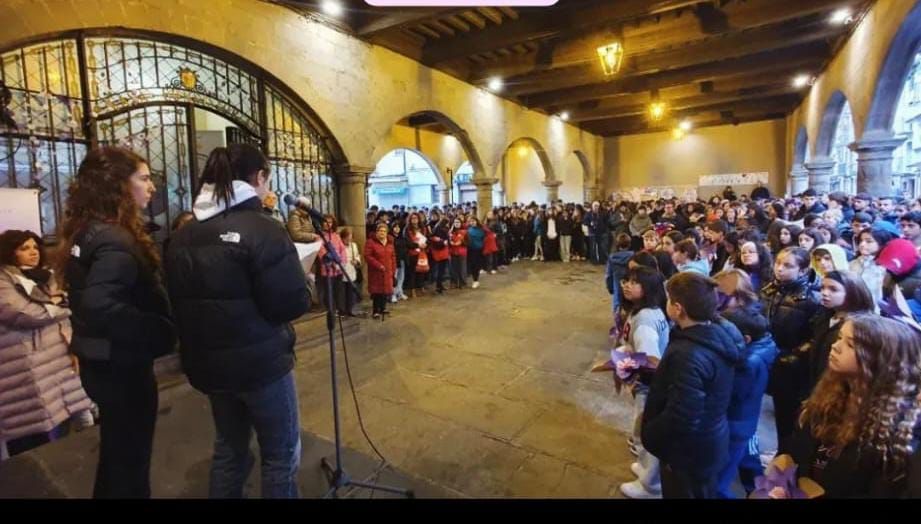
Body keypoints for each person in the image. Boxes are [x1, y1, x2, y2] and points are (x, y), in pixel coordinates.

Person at [165, 143, 310, 499]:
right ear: (259, 177)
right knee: (279, 456)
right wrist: (303, 278)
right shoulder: (263, 228)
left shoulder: (183, 234)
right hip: (261, 365)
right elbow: (287, 305)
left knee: (229, 450)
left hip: (211, 365)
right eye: (267, 179)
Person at [58, 147, 176, 498]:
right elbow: (99, 304)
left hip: (102, 363)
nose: (151, 187)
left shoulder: (87, 231)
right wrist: (158, 329)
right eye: (143, 178)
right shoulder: (114, 239)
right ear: (118, 187)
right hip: (121, 367)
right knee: (130, 464)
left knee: (115, 457)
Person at [790, 315, 921, 498]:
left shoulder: (895, 430)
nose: (835, 346)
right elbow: (797, 450)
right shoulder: (830, 392)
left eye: (850, 345)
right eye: (839, 338)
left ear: (881, 361)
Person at [641, 272, 740, 499]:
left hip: (689, 453)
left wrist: (651, 433)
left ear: (678, 308)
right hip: (708, 442)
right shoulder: (713, 334)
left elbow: (682, 416)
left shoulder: (689, 353)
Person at [0, 230, 94, 460]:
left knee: (70, 414)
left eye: (34, 247)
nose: (33, 252)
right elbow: (23, 313)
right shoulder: (3, 279)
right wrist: (59, 305)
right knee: (33, 426)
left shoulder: (45, 276)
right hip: (24, 362)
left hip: (57, 356)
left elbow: (61, 315)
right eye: (24, 248)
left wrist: (73, 347)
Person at [713, 269, 777, 498]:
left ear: (738, 297)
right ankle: (755, 487)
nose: (716, 302)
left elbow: (731, 392)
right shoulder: (753, 329)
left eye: (721, 296)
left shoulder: (745, 349)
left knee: (717, 483)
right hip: (743, 419)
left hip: (735, 421)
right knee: (743, 454)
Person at [615, 267, 670, 499]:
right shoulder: (646, 310)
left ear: (647, 288)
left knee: (644, 432)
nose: (626, 285)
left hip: (649, 385)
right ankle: (646, 469)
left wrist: (623, 363)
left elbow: (650, 359)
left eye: (634, 283)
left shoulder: (646, 318)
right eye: (626, 280)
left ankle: (650, 485)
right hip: (649, 384)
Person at [760, 247, 821, 452]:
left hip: (792, 367)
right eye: (778, 263)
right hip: (769, 358)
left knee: (789, 418)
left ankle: (787, 456)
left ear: (803, 270)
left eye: (788, 266)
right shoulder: (769, 289)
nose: (780, 269)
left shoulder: (811, 299)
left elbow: (816, 337)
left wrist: (794, 355)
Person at [805, 271, 875, 394]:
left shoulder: (860, 327)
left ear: (852, 293)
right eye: (823, 288)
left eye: (833, 289)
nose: (824, 293)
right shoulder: (825, 315)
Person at [849, 227, 895, 307]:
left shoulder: (887, 268)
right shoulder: (852, 263)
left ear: (882, 244)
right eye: (860, 241)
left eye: (869, 241)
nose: (862, 244)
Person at [365, 223, 396, 319]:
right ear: (376, 232)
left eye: (384, 231)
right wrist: (378, 265)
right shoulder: (370, 242)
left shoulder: (390, 243)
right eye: (380, 231)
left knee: (385, 291)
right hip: (376, 271)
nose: (382, 233)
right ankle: (375, 310)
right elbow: (368, 256)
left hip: (387, 270)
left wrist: (393, 268)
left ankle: (383, 308)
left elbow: (393, 256)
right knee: (376, 291)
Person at [605, 233, 634, 316]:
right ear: (629, 244)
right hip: (631, 285)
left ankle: (618, 325)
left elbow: (608, 275)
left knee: (617, 307)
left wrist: (610, 287)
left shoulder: (612, 258)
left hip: (617, 285)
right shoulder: (634, 256)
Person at [339, 227, 363, 316]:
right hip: (341, 272)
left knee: (351, 293)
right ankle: (342, 310)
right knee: (342, 293)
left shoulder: (354, 245)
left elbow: (357, 256)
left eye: (350, 237)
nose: (348, 240)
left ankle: (350, 309)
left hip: (351, 271)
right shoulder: (339, 245)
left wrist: (356, 261)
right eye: (346, 238)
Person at [390, 222, 409, 302]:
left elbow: (409, 244)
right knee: (394, 278)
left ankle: (399, 292)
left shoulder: (402, 237)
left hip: (402, 260)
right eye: (395, 227)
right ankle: (393, 294)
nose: (397, 228)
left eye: (398, 227)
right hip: (394, 261)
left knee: (401, 278)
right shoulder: (390, 238)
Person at [467, 217, 486, 289]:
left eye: (473, 221)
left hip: (478, 250)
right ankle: (475, 280)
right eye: (470, 221)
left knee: (476, 265)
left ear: (476, 221)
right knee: (472, 265)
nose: (472, 222)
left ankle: (476, 280)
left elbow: (484, 239)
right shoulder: (468, 230)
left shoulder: (481, 230)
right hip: (470, 250)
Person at [449, 218, 468, 289]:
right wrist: (450, 243)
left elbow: (468, 242)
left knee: (462, 268)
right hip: (453, 252)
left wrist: (461, 242)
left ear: (461, 223)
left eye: (458, 222)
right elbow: (448, 241)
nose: (457, 224)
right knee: (453, 269)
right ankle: (454, 282)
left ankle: (462, 283)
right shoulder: (450, 232)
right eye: (455, 222)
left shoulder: (465, 232)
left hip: (461, 252)